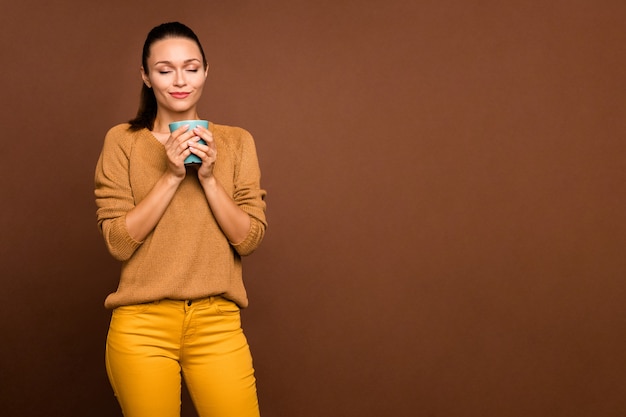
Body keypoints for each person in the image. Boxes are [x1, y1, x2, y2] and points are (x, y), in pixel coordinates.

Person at [94, 21, 267, 417]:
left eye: (190, 67)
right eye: (164, 69)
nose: (179, 80)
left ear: (206, 71)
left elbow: (249, 239)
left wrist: (207, 179)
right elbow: (118, 242)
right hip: (142, 326)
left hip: (217, 322)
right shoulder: (123, 141)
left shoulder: (237, 142)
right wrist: (171, 176)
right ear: (146, 76)